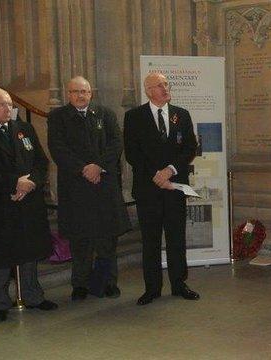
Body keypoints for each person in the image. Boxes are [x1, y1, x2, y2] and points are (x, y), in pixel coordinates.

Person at [0, 87, 57, 322]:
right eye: (2, 105)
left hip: (28, 201)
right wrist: (13, 183)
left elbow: (41, 161)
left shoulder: (24, 129)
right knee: (1, 254)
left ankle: (33, 295)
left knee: (29, 250)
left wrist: (30, 182)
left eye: (9, 104)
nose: (8, 108)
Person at [48, 76, 130, 300]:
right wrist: (84, 169)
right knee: (80, 241)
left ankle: (107, 283)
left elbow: (116, 143)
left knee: (107, 241)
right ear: (68, 94)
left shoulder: (106, 114)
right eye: (75, 91)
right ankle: (81, 285)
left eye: (84, 91)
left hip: (104, 186)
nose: (80, 95)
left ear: (90, 93)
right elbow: (58, 149)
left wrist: (98, 166)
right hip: (76, 188)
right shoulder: (58, 118)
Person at [124, 72, 199, 306]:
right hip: (148, 189)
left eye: (166, 84)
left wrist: (169, 171)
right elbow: (132, 153)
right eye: (159, 85)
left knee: (176, 238)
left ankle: (179, 283)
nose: (165, 88)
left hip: (174, 186)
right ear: (148, 91)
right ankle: (152, 288)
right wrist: (156, 176)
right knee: (151, 240)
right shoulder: (134, 117)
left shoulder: (182, 115)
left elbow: (189, 148)